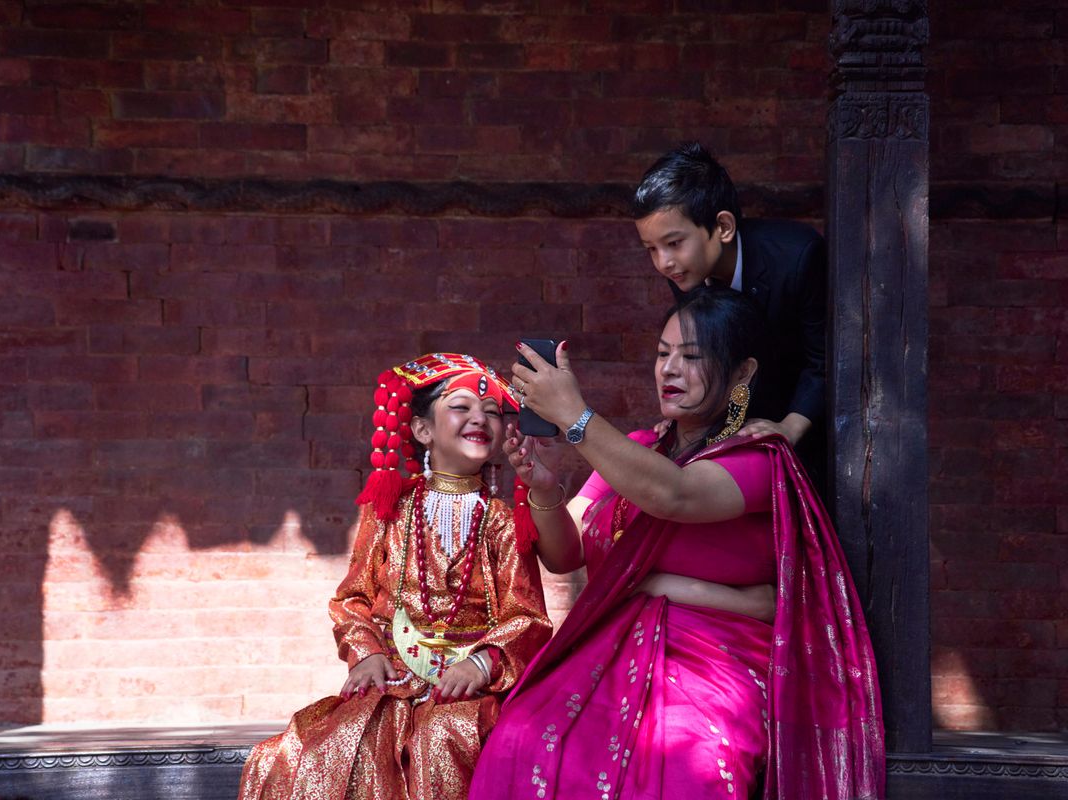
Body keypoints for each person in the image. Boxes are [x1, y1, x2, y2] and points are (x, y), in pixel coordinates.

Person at [468, 287, 884, 799]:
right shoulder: (638, 449)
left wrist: (576, 417)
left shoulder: (759, 459)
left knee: (690, 766)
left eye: (691, 357)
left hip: (717, 667)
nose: (669, 369)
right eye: (663, 353)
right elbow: (565, 554)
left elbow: (675, 494)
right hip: (609, 652)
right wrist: (546, 488)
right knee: (518, 738)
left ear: (742, 373)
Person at [238, 353, 553, 800]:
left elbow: (526, 615)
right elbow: (353, 598)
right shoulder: (389, 510)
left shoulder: (503, 520)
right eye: (460, 406)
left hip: (469, 690)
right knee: (305, 752)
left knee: (440, 738)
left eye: (492, 412)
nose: (479, 418)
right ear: (422, 430)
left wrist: (481, 664)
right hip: (392, 678)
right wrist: (366, 654)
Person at [633, 142, 827, 490]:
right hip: (741, 438)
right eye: (652, 249)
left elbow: (824, 359)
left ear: (723, 226)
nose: (663, 263)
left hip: (813, 433)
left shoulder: (797, 257)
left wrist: (789, 427)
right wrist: (687, 424)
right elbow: (724, 363)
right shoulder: (686, 273)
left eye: (674, 243)